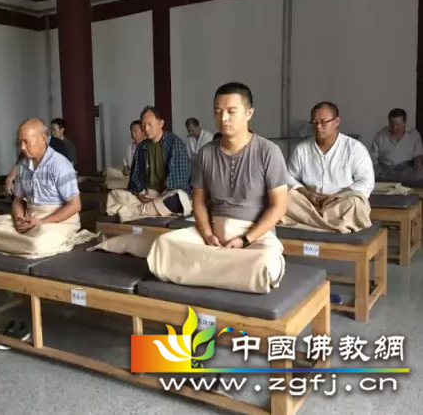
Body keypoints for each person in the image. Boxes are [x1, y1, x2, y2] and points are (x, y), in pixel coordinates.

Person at [147, 82, 287, 292]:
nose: (223, 119)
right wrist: (207, 233)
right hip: (212, 234)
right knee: (162, 245)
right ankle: (225, 269)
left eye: (231, 112)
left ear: (249, 113)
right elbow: (199, 202)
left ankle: (208, 269)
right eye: (218, 112)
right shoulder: (206, 153)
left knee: (266, 263)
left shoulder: (269, 152)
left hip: (253, 237)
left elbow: (279, 207)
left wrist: (245, 240)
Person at [0, 118, 93, 258]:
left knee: (37, 243)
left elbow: (75, 206)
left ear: (43, 138)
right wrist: (19, 219)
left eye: (26, 142)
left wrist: (42, 221)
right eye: (20, 142)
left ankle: (21, 244)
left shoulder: (60, 164)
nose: (22, 147)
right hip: (29, 219)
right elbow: (18, 200)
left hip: (57, 222)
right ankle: (22, 244)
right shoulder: (23, 166)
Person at [283, 101, 374, 232]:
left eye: (323, 122)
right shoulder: (302, 149)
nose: (319, 127)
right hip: (311, 203)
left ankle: (312, 223)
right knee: (284, 196)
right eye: (314, 122)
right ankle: (330, 225)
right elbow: (288, 176)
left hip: (340, 203)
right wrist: (307, 193)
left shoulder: (354, 148)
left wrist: (336, 197)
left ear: (336, 122)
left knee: (355, 203)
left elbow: (367, 182)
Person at [106, 106, 191, 222]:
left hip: (167, 194)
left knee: (178, 199)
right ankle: (148, 210)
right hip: (148, 195)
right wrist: (141, 192)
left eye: (150, 124)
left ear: (161, 123)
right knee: (113, 195)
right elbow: (135, 177)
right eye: (143, 125)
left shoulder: (174, 143)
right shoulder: (142, 146)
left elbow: (178, 180)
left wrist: (159, 196)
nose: (146, 128)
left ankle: (136, 212)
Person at [370, 108, 423, 178]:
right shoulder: (381, 134)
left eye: (398, 124)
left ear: (405, 122)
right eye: (391, 124)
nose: (394, 128)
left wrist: (418, 165)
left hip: (406, 168)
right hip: (384, 168)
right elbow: (373, 156)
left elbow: (418, 155)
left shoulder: (414, 134)